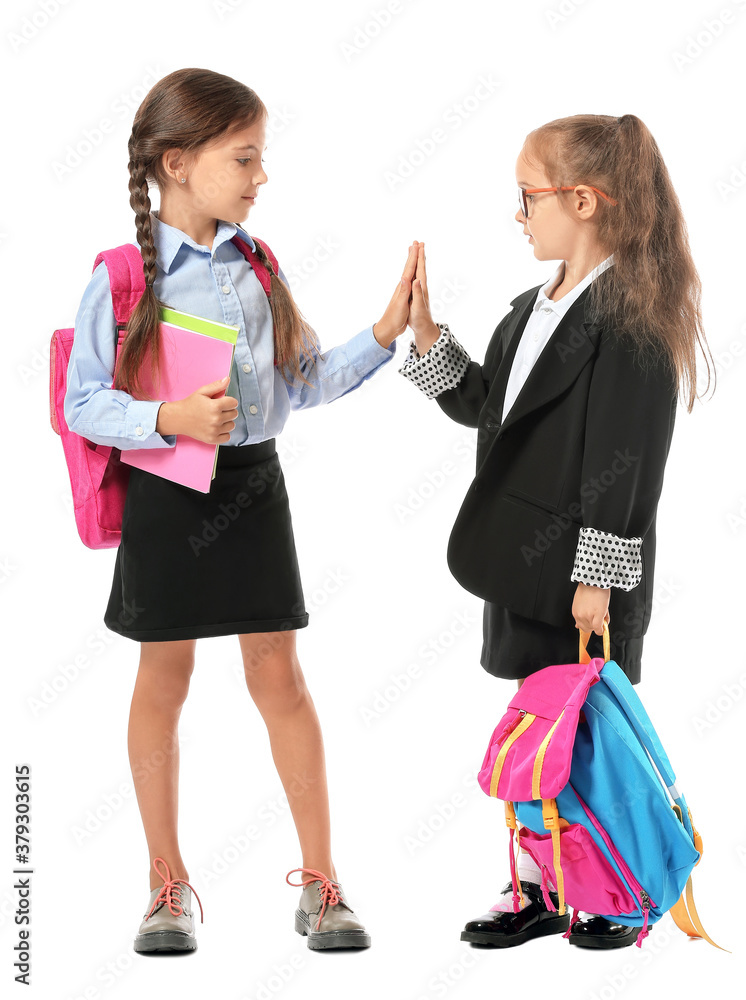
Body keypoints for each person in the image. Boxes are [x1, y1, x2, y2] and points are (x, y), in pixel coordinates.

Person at [64, 67, 418, 955]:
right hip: (168, 496)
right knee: (164, 683)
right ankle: (165, 887)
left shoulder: (259, 265)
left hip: (254, 489)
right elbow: (80, 403)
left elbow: (305, 383)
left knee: (281, 681)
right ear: (177, 164)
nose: (262, 178)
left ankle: (323, 885)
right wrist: (166, 419)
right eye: (246, 158)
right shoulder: (119, 278)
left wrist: (383, 333)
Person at [398, 113, 714, 949]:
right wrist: (427, 336)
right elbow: (486, 409)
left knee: (584, 733)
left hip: (581, 576)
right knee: (539, 732)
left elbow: (629, 464)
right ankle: (541, 887)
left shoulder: (633, 318)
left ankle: (615, 889)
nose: (519, 214)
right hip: (520, 563)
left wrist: (596, 580)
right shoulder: (528, 309)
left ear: (582, 200)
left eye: (527, 196)